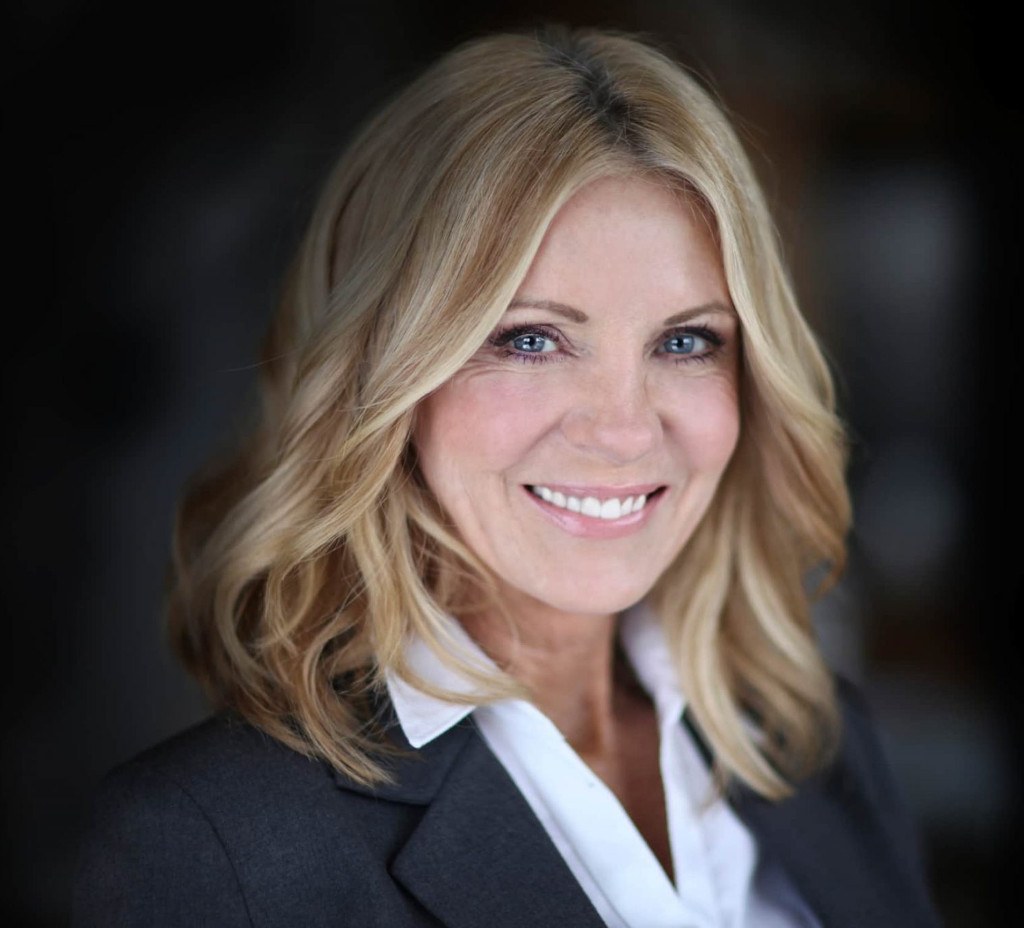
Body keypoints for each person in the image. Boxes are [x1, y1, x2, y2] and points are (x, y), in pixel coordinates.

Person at [72, 26, 941, 928]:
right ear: (383, 368)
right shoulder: (210, 845)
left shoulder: (815, 741)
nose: (623, 430)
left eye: (686, 341)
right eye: (530, 339)